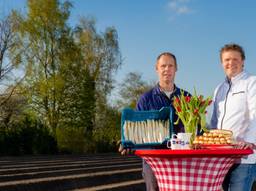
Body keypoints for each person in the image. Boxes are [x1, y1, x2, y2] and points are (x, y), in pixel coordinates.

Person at [119, 52, 190, 191]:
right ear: (156, 68)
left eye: (170, 66)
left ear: (176, 69)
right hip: (153, 163)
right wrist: (128, 142)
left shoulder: (186, 98)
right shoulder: (145, 99)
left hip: (181, 161)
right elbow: (136, 129)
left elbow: (196, 130)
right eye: (163, 65)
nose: (167, 69)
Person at [210, 43, 256, 191]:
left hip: (244, 158)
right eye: (227, 60)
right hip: (222, 157)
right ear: (222, 63)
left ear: (243, 61)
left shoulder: (252, 82)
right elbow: (215, 121)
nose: (231, 63)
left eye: (235, 59)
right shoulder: (219, 88)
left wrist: (249, 141)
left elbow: (255, 114)